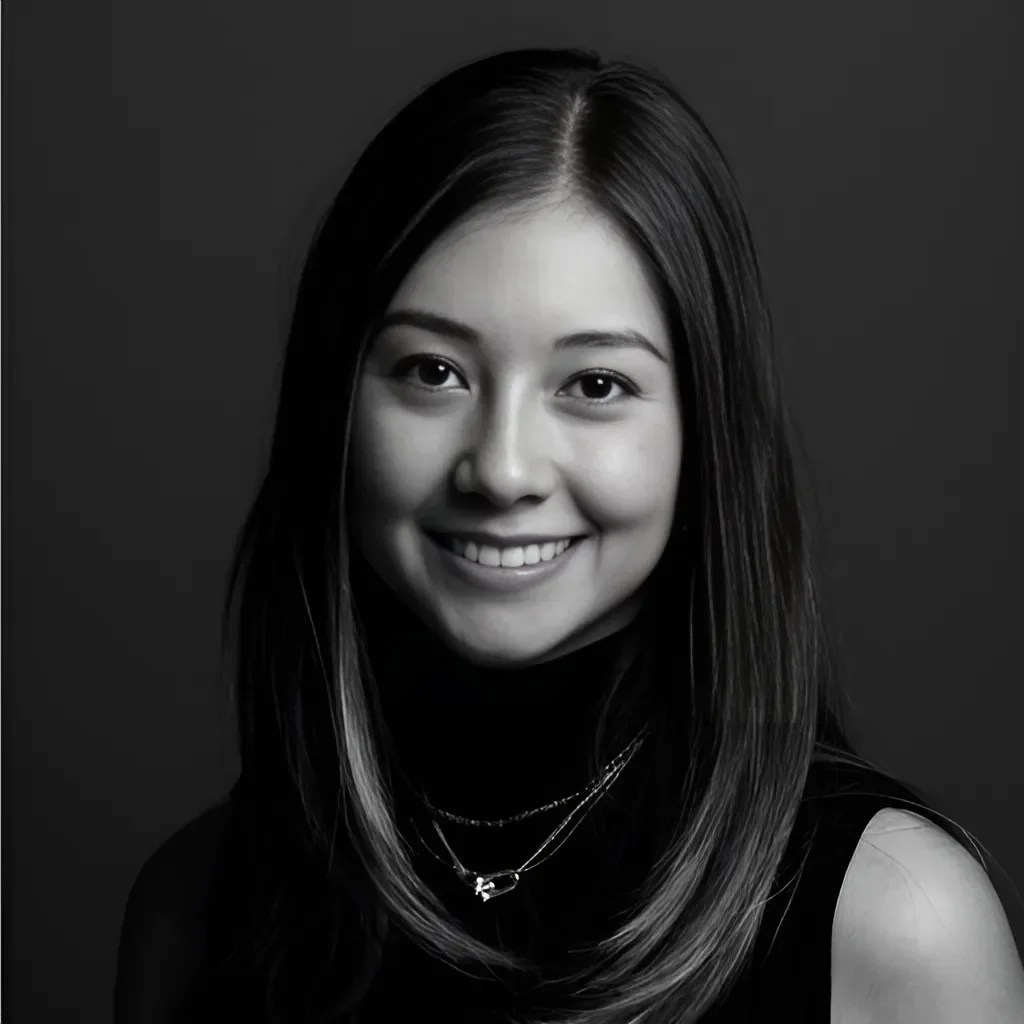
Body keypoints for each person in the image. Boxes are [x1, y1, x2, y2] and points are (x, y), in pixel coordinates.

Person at [114, 47, 1024, 1023]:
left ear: (704, 431)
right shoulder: (197, 904)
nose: (502, 469)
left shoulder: (893, 918)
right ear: (332, 400)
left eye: (594, 385)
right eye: (432, 372)